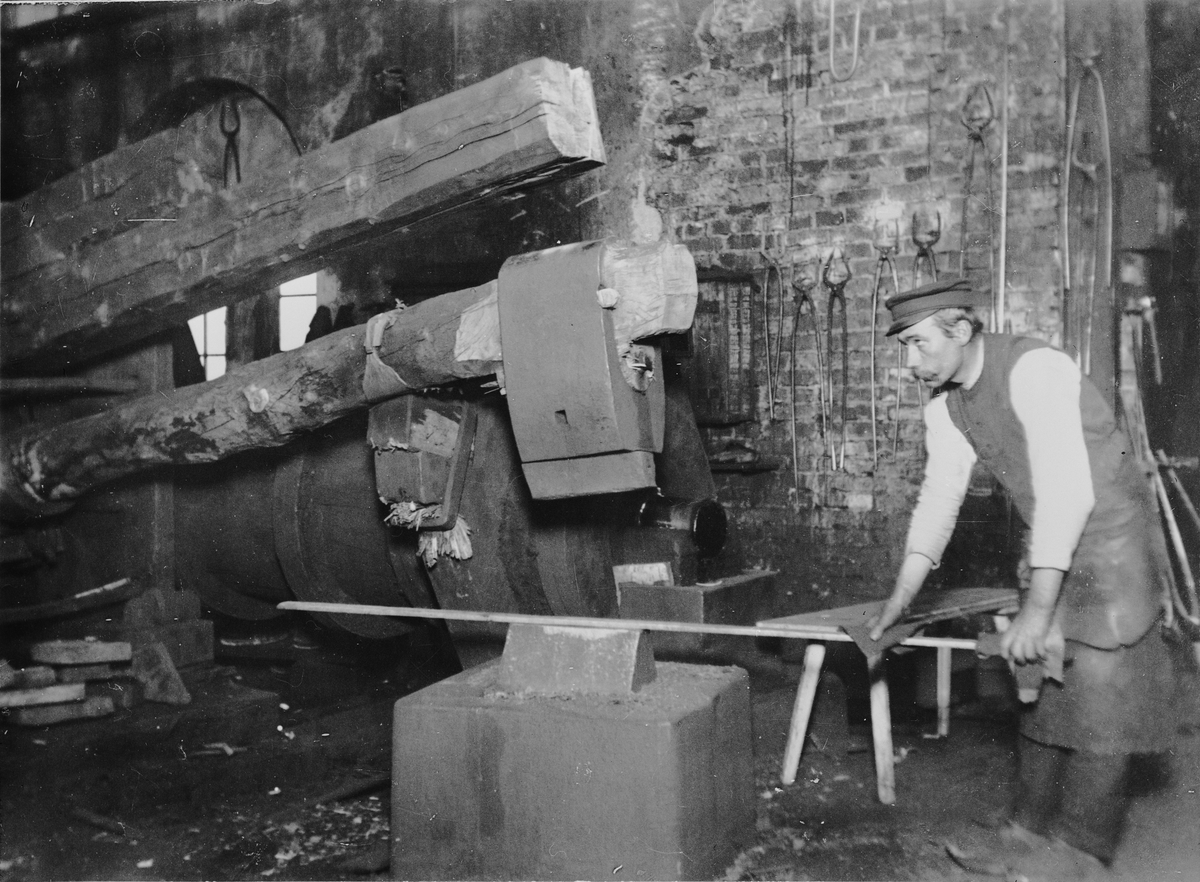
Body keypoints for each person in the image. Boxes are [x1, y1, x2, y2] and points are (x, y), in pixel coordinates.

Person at [866, 276, 1177, 880]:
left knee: (1103, 694)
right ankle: (1026, 829)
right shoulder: (948, 407)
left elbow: (1067, 492)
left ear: (961, 329)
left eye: (919, 343)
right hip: (1052, 538)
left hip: (1112, 541)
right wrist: (902, 595)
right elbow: (939, 500)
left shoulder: (1035, 371)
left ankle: (1081, 851)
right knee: (1038, 679)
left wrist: (1038, 610)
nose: (910, 361)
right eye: (904, 346)